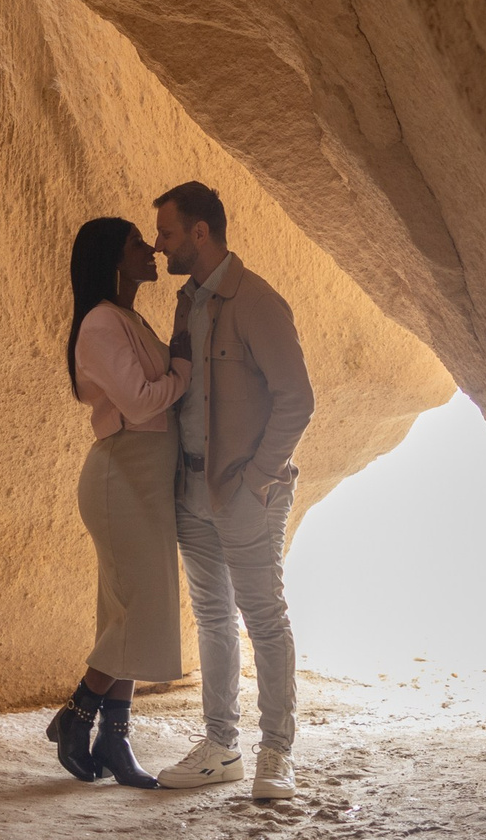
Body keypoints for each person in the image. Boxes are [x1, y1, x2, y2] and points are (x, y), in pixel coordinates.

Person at [147, 181, 313, 800]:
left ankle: (277, 753)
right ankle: (221, 746)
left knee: (263, 619)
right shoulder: (187, 302)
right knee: (212, 618)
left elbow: (298, 399)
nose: (159, 246)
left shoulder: (257, 301)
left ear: (199, 233)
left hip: (245, 494)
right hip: (190, 489)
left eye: (167, 233)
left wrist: (258, 479)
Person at [46, 216, 192, 787]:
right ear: (114, 257)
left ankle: (114, 739)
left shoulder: (127, 316)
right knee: (141, 611)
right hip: (122, 479)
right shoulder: (103, 322)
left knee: (129, 612)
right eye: (137, 242)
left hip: (144, 481)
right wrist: (182, 371)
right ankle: (78, 714)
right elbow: (139, 402)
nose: (151, 248)